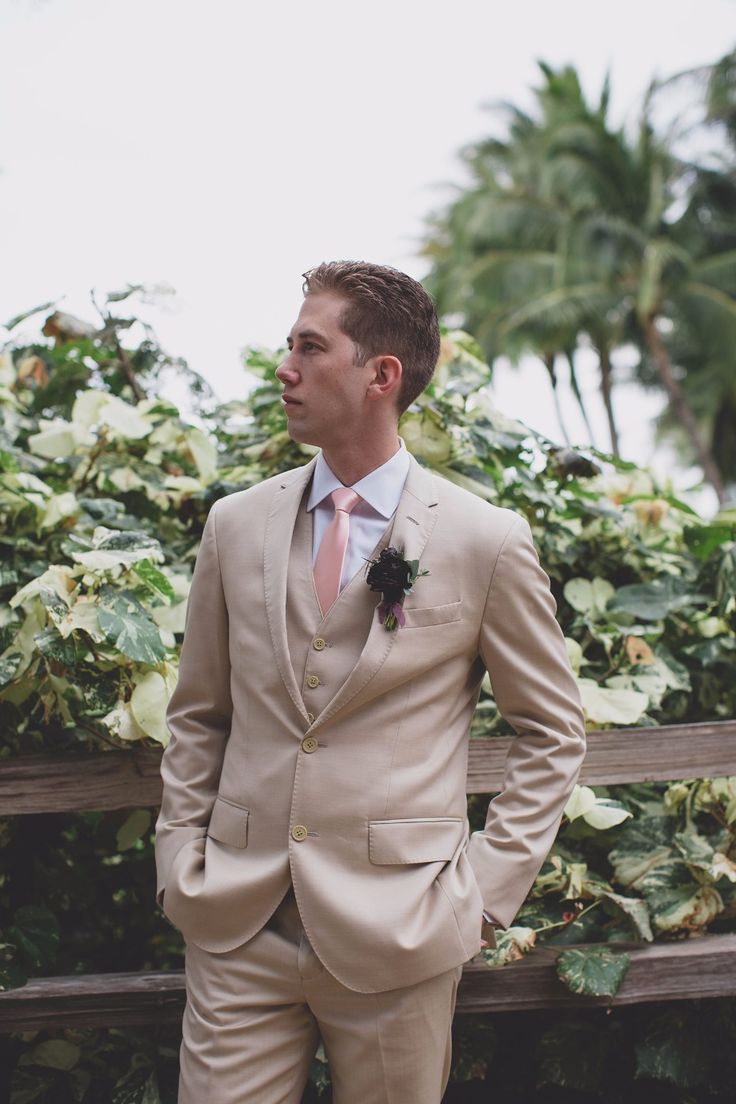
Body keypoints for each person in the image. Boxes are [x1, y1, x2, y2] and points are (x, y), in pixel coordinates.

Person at [154, 261, 586, 1104]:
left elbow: (553, 731)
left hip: (402, 931)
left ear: (381, 375)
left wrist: (483, 895)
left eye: (310, 348)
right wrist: (181, 853)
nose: (285, 367)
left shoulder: (482, 539)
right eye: (289, 344)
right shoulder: (234, 526)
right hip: (237, 921)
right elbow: (199, 712)